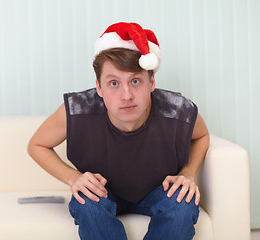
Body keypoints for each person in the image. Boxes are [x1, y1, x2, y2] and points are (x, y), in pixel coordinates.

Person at [28, 22, 209, 240]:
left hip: (159, 189)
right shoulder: (77, 110)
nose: (126, 95)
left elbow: (201, 136)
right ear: (99, 87)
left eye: (135, 81)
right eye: (114, 83)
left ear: (151, 81)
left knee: (183, 203)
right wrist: (72, 177)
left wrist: (188, 173)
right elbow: (36, 145)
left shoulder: (177, 110)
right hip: (104, 191)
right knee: (87, 202)